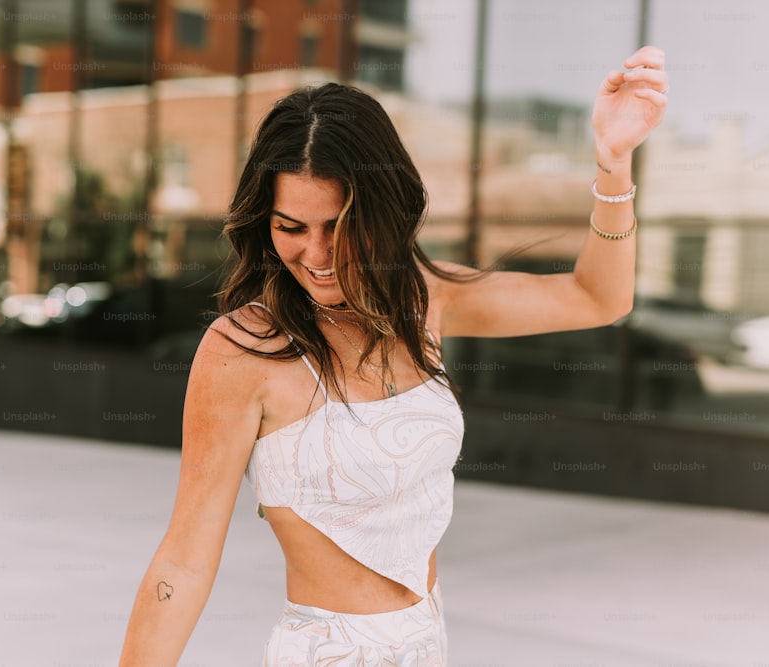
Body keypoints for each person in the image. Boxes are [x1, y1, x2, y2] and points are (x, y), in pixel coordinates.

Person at [118, 45, 668, 666]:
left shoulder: (421, 299)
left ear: (385, 213)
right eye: (291, 227)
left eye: (341, 225)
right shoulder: (245, 349)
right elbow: (186, 556)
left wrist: (613, 162)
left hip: (428, 643)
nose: (318, 255)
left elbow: (597, 297)